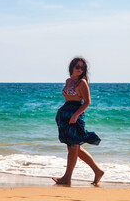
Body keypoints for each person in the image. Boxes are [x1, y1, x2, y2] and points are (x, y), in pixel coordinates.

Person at [52, 56, 104, 186]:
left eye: (82, 67)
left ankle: (66, 178)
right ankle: (97, 171)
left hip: (76, 116)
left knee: (73, 147)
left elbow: (87, 102)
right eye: (77, 66)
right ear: (72, 67)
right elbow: (67, 98)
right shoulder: (68, 81)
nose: (80, 69)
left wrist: (75, 115)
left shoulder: (82, 83)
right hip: (65, 116)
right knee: (76, 149)